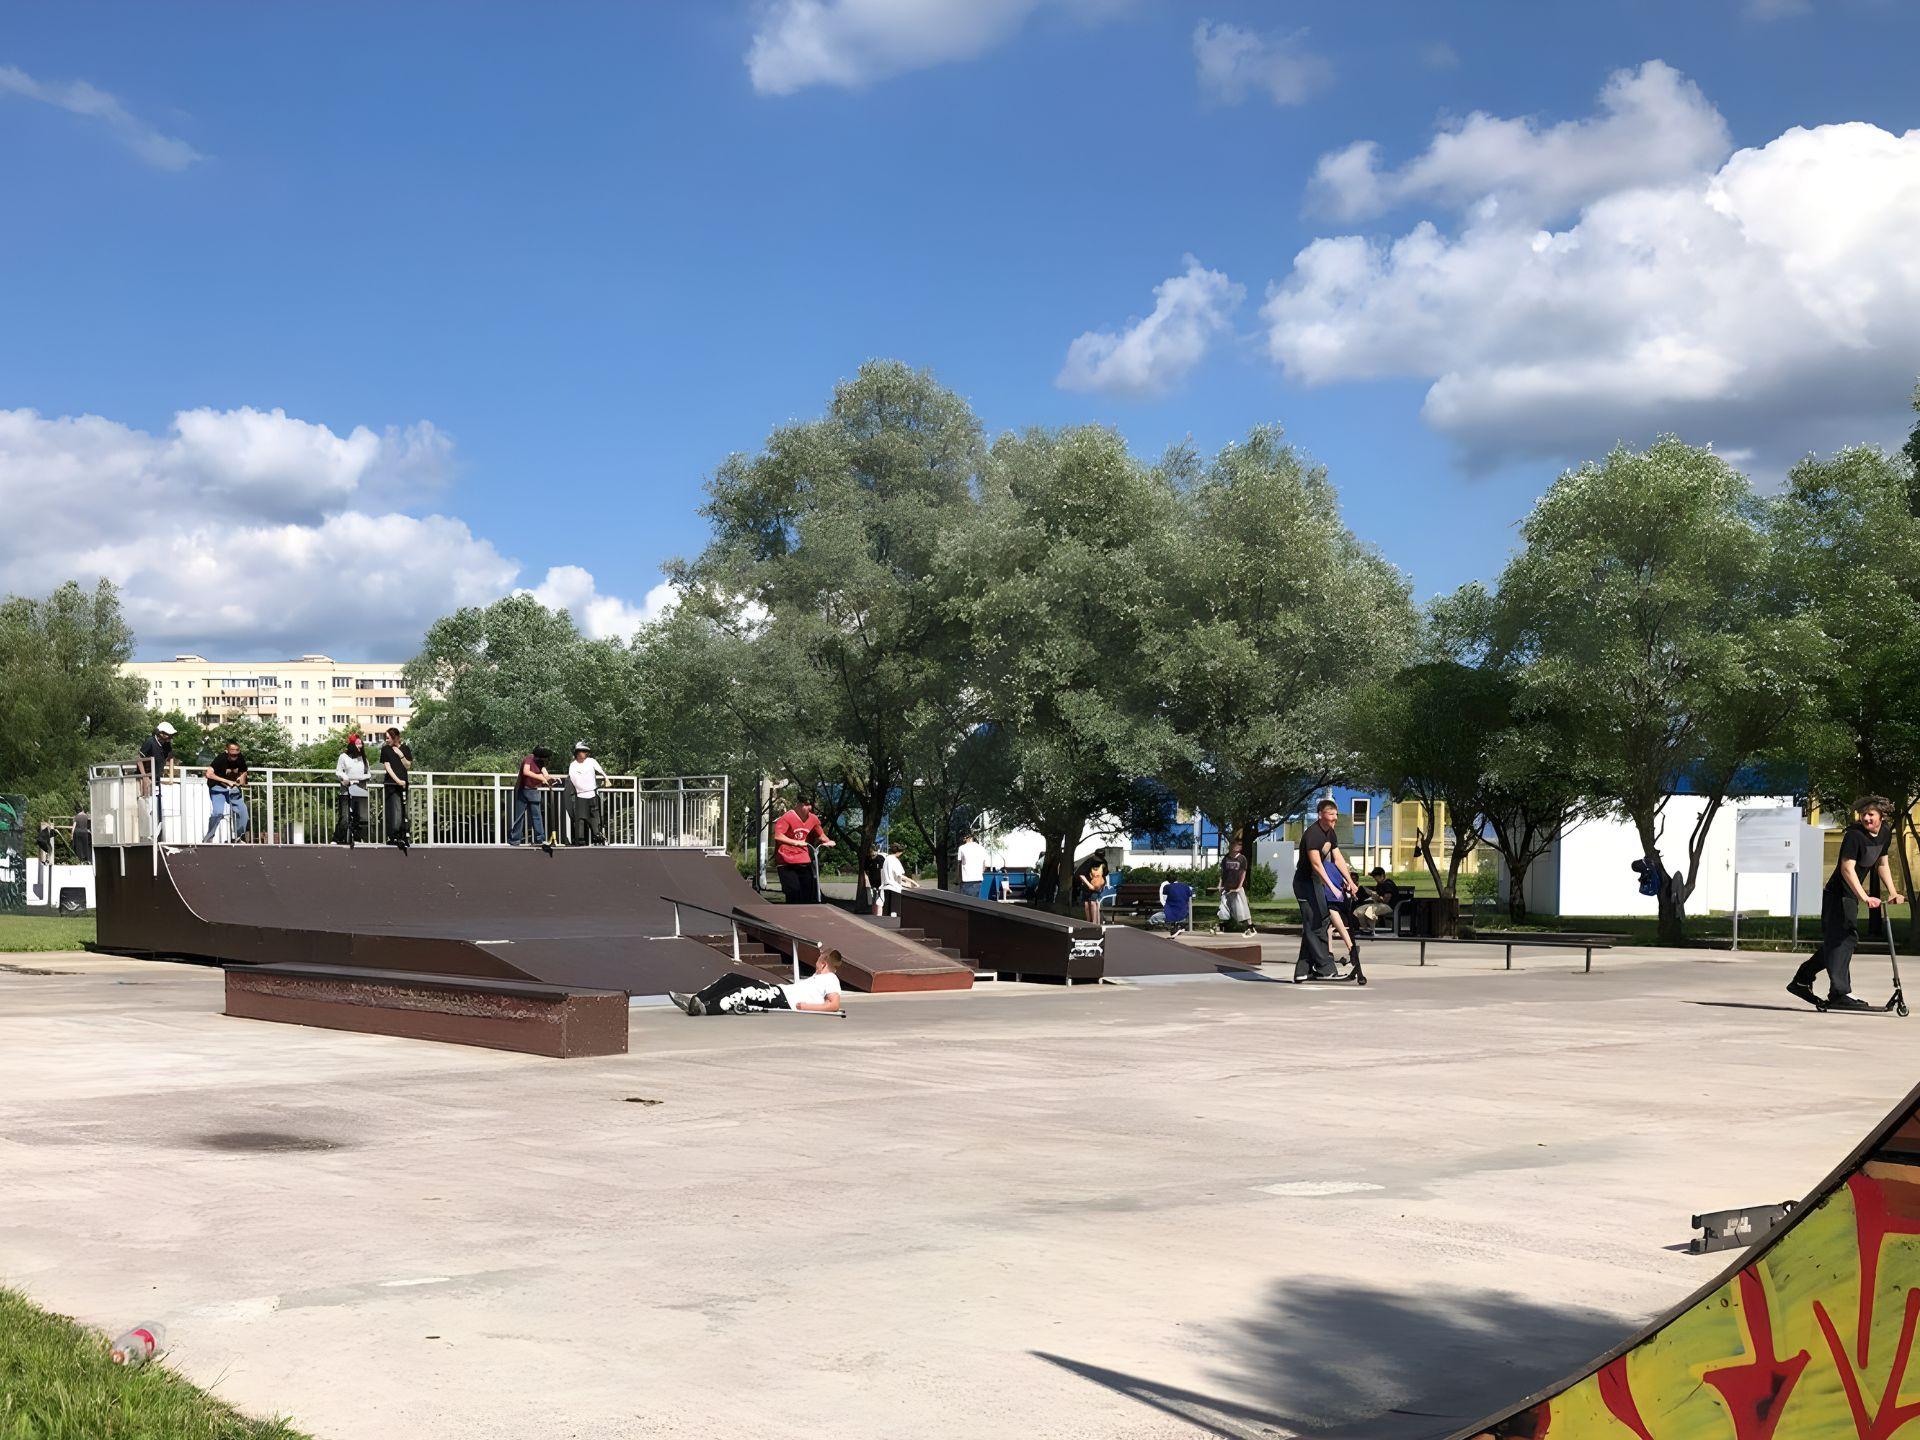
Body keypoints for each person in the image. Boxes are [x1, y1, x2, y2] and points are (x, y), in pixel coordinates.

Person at [1789, 796, 1907, 1011]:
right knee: (1844, 940)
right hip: (1837, 895)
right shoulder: (1854, 836)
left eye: (1871, 814)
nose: (1866, 818)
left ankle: (1803, 979)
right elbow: (1846, 868)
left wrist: (1892, 892)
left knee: (1839, 942)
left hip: (1850, 894)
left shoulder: (1884, 833)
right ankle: (1840, 993)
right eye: (1863, 814)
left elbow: (1882, 863)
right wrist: (1864, 896)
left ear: (1882, 816)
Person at [669, 952, 844, 1016]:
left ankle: (708, 1008)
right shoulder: (818, 976)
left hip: (784, 1000)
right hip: (778, 991)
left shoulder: (830, 979)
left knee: (743, 992)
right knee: (732, 977)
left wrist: (807, 1007)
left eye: (818, 960)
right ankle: (696, 999)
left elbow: (834, 1005)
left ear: (823, 964)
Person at [1295, 798, 1356, 980]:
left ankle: (1302, 971)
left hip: (1315, 883)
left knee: (1319, 922)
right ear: (1321, 815)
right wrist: (1332, 887)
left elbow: (1337, 859)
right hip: (1305, 883)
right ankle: (1325, 968)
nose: (1335, 818)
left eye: (1336, 815)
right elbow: (1316, 865)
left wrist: (1349, 881)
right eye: (1331, 815)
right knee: (1316, 924)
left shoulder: (1330, 833)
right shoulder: (1312, 834)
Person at [772, 795, 832, 904]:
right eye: (806, 805)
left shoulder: (813, 819)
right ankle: (792, 917)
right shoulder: (787, 817)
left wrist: (827, 841)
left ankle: (806, 917)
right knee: (793, 892)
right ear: (798, 805)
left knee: (808, 894)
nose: (809, 808)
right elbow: (778, 836)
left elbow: (821, 835)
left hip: (803, 861)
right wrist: (795, 842)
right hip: (786, 862)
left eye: (810, 805)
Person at [510, 747, 557, 852]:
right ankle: (515, 840)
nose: (545, 761)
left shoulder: (541, 763)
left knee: (537, 816)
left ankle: (540, 839)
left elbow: (546, 775)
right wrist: (541, 778)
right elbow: (526, 772)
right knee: (519, 816)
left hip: (533, 791)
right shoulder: (529, 758)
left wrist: (552, 779)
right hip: (522, 790)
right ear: (540, 756)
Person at [136, 721, 177, 841]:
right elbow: (139, 759)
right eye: (169, 735)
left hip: (157, 778)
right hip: (146, 777)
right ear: (161, 734)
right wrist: (144, 776)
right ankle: (146, 833)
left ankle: (156, 833)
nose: (171, 737)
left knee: (156, 805)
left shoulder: (167, 744)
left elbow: (171, 758)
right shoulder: (150, 742)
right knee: (146, 804)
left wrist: (170, 776)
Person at [203, 740, 250, 842]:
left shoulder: (240, 757)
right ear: (227, 751)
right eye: (232, 754)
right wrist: (227, 781)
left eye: (236, 753)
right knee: (218, 813)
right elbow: (208, 774)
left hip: (232, 789)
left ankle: (239, 837)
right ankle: (209, 837)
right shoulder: (220, 758)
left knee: (243, 812)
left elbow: (244, 771)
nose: (234, 756)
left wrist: (241, 780)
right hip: (217, 788)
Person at [564, 741, 608, 846]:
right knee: (580, 818)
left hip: (592, 794)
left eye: (585, 751)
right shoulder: (573, 765)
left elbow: (600, 770)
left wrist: (606, 778)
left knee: (594, 817)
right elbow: (574, 780)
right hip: (580, 795)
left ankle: (597, 836)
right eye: (582, 751)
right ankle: (580, 840)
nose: (584, 753)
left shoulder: (591, 761)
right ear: (577, 753)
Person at [380, 727, 413, 850]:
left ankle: (403, 835)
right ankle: (393, 836)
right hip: (391, 784)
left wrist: (401, 756)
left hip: (403, 784)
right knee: (395, 810)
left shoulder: (405, 748)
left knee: (403, 810)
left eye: (388, 737)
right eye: (386, 738)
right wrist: (397, 781)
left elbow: (408, 765)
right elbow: (387, 767)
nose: (386, 740)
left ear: (395, 737)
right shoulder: (385, 749)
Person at [334, 734, 371, 845]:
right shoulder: (343, 757)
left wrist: (360, 778)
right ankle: (338, 838)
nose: (360, 746)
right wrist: (346, 778)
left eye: (361, 744)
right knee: (345, 816)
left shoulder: (363, 759)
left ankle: (357, 838)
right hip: (346, 790)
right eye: (357, 744)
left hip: (360, 790)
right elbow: (338, 771)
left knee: (358, 816)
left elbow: (368, 773)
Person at [1218, 840, 1253, 933]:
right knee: (1224, 907)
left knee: (1242, 907)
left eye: (1238, 845)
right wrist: (1220, 885)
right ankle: (1223, 926)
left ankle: (1249, 926)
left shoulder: (1242, 859)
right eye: (1234, 845)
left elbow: (1243, 874)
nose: (1236, 847)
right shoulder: (1226, 858)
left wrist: (1239, 887)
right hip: (1227, 886)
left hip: (1237, 887)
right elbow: (1222, 873)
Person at [878, 840, 918, 916]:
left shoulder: (886, 859)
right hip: (894, 888)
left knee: (886, 912)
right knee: (895, 912)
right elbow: (900, 875)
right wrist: (914, 882)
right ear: (899, 852)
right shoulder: (894, 860)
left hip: (886, 887)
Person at [1354, 867, 1399, 934]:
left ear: (1382, 875)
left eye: (1376, 876)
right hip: (1378, 904)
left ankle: (1371, 929)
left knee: (1369, 911)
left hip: (1388, 906)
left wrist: (1376, 896)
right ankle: (1365, 929)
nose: (1374, 878)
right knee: (1359, 911)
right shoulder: (1380, 884)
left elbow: (1386, 900)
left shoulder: (1388, 884)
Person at [1074, 854, 1106, 926]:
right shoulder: (1086, 867)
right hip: (1086, 886)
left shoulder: (1102, 865)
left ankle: (1095, 923)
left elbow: (1103, 876)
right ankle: (1089, 922)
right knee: (1087, 905)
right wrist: (1089, 885)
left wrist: (1102, 885)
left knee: (1093, 903)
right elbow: (1081, 876)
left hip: (1095, 887)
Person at [955, 831, 988, 895]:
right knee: (975, 902)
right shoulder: (982, 848)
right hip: (978, 881)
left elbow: (959, 864)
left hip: (966, 881)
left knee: (965, 903)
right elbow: (985, 866)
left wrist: (957, 879)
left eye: (964, 838)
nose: (963, 840)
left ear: (968, 838)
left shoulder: (962, 848)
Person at [864, 846, 887, 915]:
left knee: (881, 894)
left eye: (874, 852)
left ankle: (881, 910)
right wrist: (867, 878)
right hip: (872, 880)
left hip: (880, 880)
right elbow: (866, 870)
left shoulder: (880, 858)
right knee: (874, 894)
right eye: (871, 852)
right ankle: (874, 910)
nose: (873, 854)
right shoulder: (868, 859)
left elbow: (883, 869)